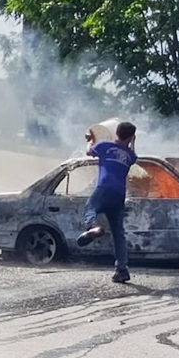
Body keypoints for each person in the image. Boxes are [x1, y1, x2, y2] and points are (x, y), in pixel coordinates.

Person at [77, 121, 137, 283]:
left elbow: (89, 152)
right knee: (118, 234)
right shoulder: (130, 155)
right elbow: (133, 155)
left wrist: (90, 139)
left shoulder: (104, 146)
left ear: (116, 132)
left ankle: (93, 227)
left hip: (104, 188)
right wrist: (132, 142)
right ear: (131, 137)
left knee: (91, 207)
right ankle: (122, 270)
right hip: (119, 195)